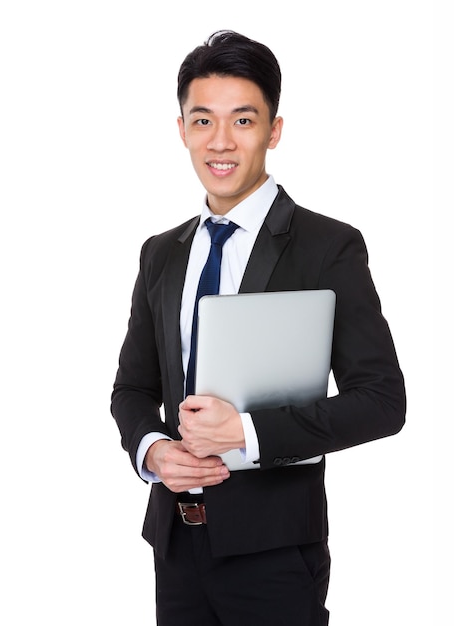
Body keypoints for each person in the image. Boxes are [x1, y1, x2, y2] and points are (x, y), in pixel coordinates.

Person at [111, 30, 406, 626]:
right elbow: (132, 391)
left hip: (274, 554)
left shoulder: (328, 246)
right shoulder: (161, 254)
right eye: (203, 121)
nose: (221, 142)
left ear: (273, 130)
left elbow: (382, 401)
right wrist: (153, 450)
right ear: (182, 129)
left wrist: (246, 433)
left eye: (243, 120)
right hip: (175, 545)